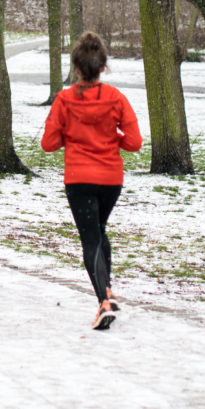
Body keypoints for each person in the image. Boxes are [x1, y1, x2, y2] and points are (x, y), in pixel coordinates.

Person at [41, 31, 143, 330]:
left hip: (79, 178)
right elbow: (135, 142)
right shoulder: (116, 98)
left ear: (76, 68)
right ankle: (107, 293)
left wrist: (71, 136)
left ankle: (104, 299)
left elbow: (48, 143)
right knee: (98, 231)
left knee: (90, 239)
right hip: (111, 179)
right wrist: (112, 139)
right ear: (103, 67)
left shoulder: (64, 99)